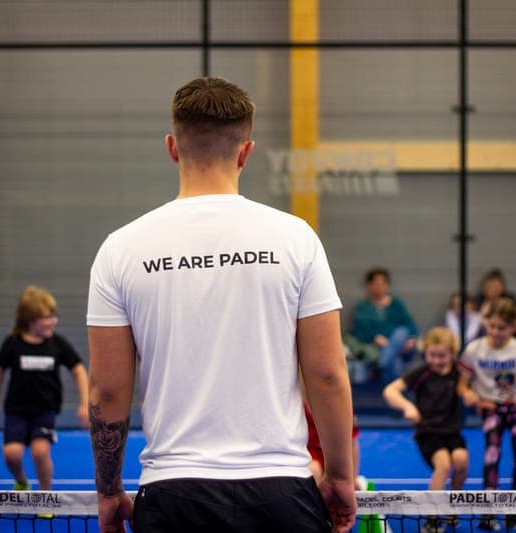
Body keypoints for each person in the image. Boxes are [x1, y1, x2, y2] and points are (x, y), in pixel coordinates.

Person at [86, 77, 356, 533]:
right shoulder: (297, 240)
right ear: (246, 152)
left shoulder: (120, 249)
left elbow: (109, 392)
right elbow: (327, 373)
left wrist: (109, 491)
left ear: (172, 147)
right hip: (281, 492)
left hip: (172, 494)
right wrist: (340, 477)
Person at [0, 285, 89, 491]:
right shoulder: (12, 343)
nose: (53, 321)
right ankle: (22, 481)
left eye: (54, 316)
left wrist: (84, 404)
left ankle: (45, 495)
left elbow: (78, 370)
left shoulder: (58, 343)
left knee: (40, 452)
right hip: (16, 410)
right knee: (11, 454)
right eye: (47, 317)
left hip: (45, 410)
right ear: (30, 321)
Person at [457, 298, 516, 531]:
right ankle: (488, 511)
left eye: (501, 328)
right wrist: (468, 394)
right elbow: (462, 384)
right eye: (492, 326)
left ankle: (514, 503)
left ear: (513, 328)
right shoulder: (474, 349)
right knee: (492, 455)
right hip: (491, 409)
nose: (495, 332)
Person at [383, 327, 468, 533]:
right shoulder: (421, 373)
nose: (437, 360)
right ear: (426, 352)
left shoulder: (460, 373)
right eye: (432, 355)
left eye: (442, 356)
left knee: (461, 460)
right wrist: (408, 406)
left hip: (451, 431)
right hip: (427, 432)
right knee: (443, 464)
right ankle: (432, 517)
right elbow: (390, 390)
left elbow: (472, 387)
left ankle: (452, 506)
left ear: (452, 354)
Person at [351, 267, 419, 385]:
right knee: (395, 361)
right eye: (376, 283)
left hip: (401, 345)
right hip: (376, 348)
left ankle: (380, 365)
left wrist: (411, 339)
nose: (380, 287)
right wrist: (375, 338)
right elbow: (359, 332)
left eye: (383, 283)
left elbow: (410, 324)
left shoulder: (397, 304)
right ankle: (390, 387)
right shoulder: (362, 308)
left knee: (401, 331)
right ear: (369, 285)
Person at [474, 268, 516, 338]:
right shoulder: (477, 301)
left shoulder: (510, 300)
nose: (492, 289)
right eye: (489, 287)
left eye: (495, 286)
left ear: (502, 287)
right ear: (483, 287)